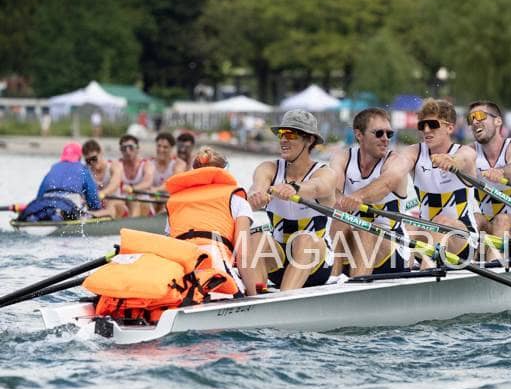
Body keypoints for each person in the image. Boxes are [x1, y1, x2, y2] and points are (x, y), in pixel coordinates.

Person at [248, 110, 337, 291]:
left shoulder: (324, 172)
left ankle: (283, 299)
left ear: (309, 140)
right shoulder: (269, 168)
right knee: (255, 238)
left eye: (290, 135)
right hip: (279, 261)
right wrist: (257, 195)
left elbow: (317, 187)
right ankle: (256, 298)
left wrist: (295, 188)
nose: (283, 140)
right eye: (281, 134)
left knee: (303, 239)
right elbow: (258, 185)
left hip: (316, 265)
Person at [164, 146, 259, 296]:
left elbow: (168, 247)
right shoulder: (237, 201)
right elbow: (243, 255)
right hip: (216, 273)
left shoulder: (175, 202)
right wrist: (253, 295)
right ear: (223, 171)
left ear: (194, 172)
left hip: (178, 277)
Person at [329, 108, 413, 277]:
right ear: (359, 135)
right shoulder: (342, 158)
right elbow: (332, 192)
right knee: (339, 221)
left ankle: (357, 284)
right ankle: (333, 279)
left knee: (366, 230)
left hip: (393, 249)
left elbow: (385, 184)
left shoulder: (396, 161)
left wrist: (358, 196)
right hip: (355, 244)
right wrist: (337, 199)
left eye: (389, 134)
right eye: (379, 133)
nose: (385, 139)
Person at [399, 98, 478, 266]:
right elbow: (395, 169)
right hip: (428, 233)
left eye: (433, 125)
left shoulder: (464, 151)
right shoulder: (414, 153)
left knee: (440, 221)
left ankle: (426, 270)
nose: (426, 130)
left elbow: (466, 158)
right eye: (422, 125)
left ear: (450, 128)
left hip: (463, 239)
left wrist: (452, 161)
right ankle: (403, 271)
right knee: (403, 226)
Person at [467, 100, 511, 259]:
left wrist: (501, 172)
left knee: (502, 219)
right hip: (491, 229)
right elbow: (458, 159)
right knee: (475, 219)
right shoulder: (469, 152)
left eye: (480, 116)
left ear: (497, 121)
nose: (475, 121)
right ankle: (472, 261)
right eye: (471, 119)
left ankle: (491, 265)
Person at [19, 142, 111, 222]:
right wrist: (97, 209)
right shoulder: (83, 168)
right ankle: (58, 216)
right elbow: (92, 197)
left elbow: (40, 196)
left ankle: (36, 217)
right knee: (64, 213)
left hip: (47, 201)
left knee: (45, 211)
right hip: (69, 202)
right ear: (79, 157)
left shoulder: (54, 167)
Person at [82, 139, 125, 218]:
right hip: (97, 205)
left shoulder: (114, 165)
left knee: (111, 203)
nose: (92, 162)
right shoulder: (86, 171)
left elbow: (115, 184)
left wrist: (103, 193)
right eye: (88, 160)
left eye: (94, 158)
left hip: (116, 204)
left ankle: (94, 215)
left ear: (101, 153)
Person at [149, 132, 187, 213]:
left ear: (171, 148)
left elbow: (173, 183)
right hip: (152, 198)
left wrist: (156, 189)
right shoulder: (149, 162)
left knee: (165, 204)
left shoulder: (179, 164)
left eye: (165, 147)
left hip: (169, 199)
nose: (161, 150)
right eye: (159, 146)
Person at [118, 134, 155, 217]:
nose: (127, 151)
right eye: (124, 148)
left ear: (137, 149)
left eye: (131, 147)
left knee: (136, 203)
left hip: (143, 201)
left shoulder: (147, 164)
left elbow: (147, 183)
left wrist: (131, 189)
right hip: (125, 201)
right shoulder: (117, 165)